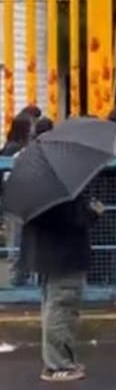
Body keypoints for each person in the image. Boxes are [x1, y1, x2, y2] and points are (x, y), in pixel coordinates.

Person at [22, 181, 102, 381]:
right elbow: (72, 219)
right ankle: (58, 365)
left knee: (54, 307)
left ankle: (60, 361)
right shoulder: (61, 187)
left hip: (47, 254)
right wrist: (93, 212)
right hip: (64, 256)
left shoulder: (36, 183)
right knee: (61, 309)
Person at [3, 112, 35, 286]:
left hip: (16, 200)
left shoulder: (11, 146)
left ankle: (20, 276)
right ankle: (17, 277)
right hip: (16, 200)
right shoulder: (14, 149)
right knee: (16, 240)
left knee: (18, 238)